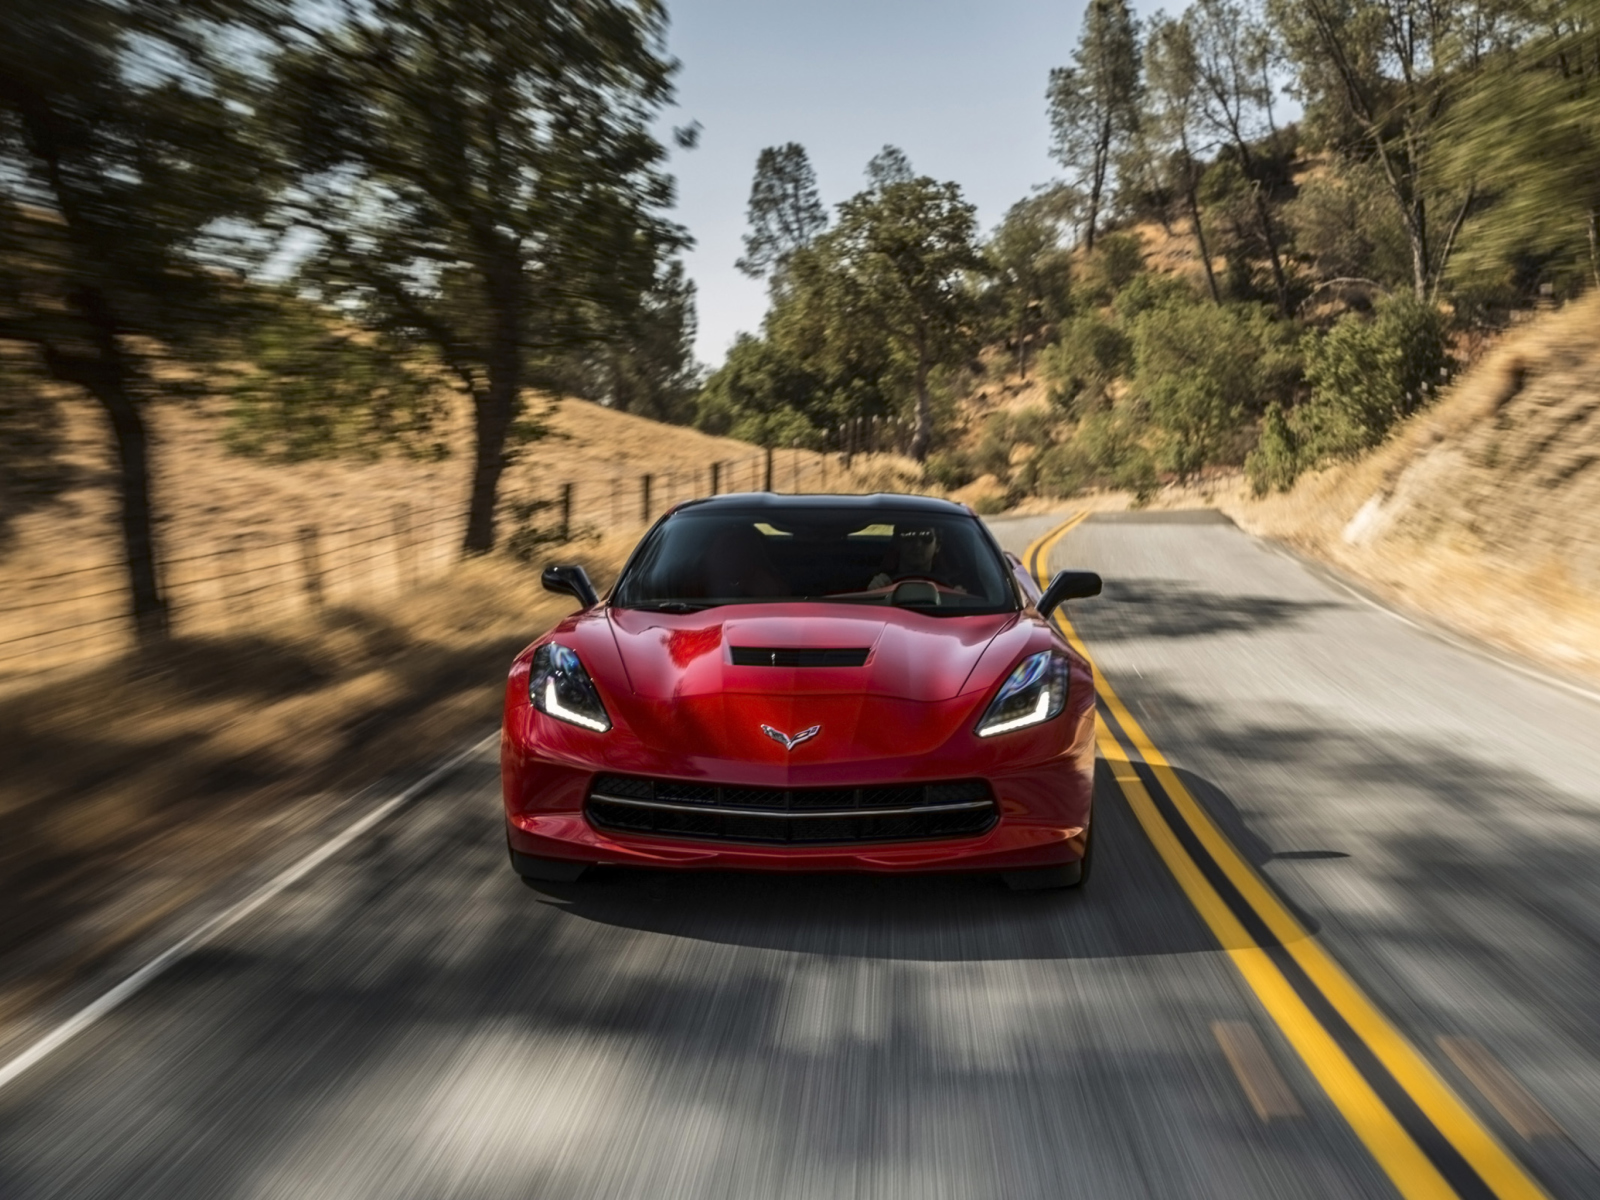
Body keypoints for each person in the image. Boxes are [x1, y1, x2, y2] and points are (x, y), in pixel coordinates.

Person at [869, 527, 939, 590]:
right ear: (897, 543)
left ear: (937, 546)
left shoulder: (948, 583)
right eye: (909, 536)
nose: (917, 545)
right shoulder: (881, 582)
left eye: (927, 537)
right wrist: (873, 593)